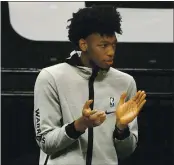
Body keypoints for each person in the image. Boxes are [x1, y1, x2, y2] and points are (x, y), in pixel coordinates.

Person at [33, 5, 146, 165]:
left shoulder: (125, 82)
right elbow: (45, 142)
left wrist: (122, 129)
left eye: (113, 45)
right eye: (103, 45)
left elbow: (126, 151)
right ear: (83, 44)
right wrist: (80, 125)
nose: (111, 52)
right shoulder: (51, 78)